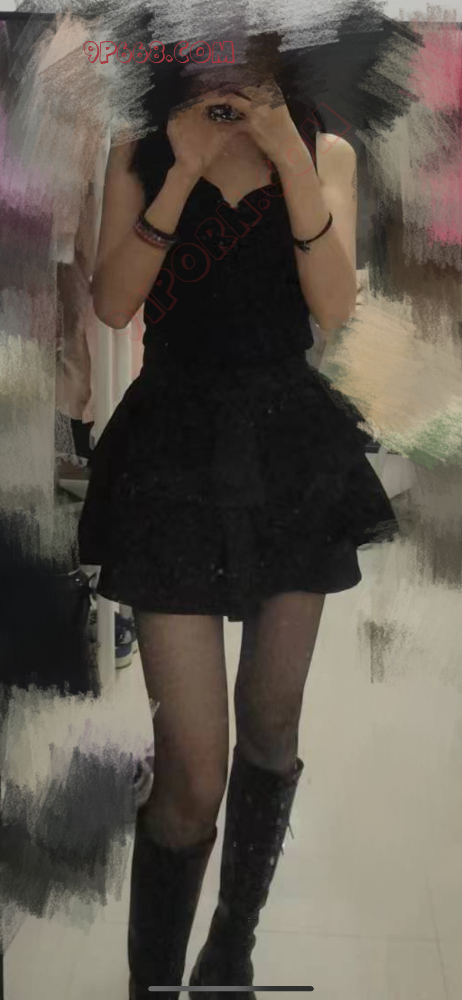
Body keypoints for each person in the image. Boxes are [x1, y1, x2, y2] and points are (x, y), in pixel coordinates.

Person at [78, 54, 399, 1000]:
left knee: (271, 724)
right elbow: (112, 303)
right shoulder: (136, 148)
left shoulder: (325, 151)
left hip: (289, 452)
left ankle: (232, 946)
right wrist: (181, 169)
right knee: (190, 774)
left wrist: (287, 156)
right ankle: (152, 986)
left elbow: (332, 307)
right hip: (171, 453)